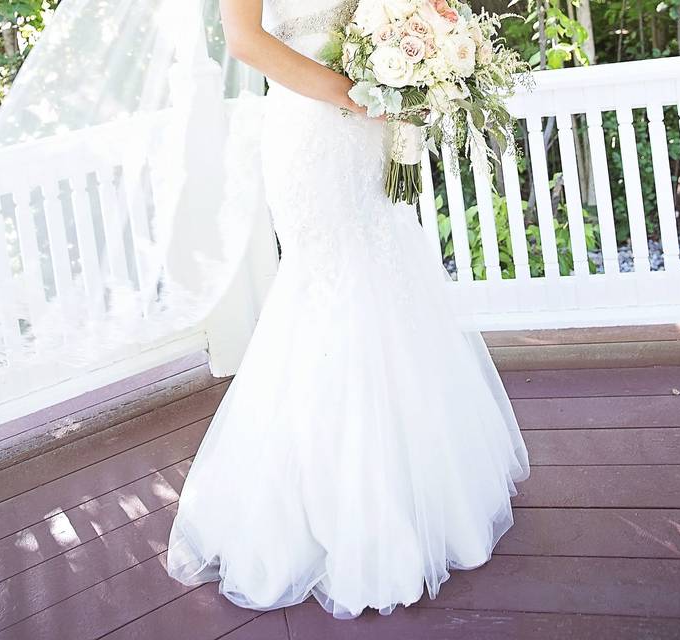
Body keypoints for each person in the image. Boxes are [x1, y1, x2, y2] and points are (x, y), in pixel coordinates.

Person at [165, 0, 531, 619]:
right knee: (332, 288)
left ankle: (425, 497)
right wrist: (354, 95)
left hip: (371, 122)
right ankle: (345, 515)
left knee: (390, 273)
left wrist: (423, 48)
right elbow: (245, 40)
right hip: (314, 126)